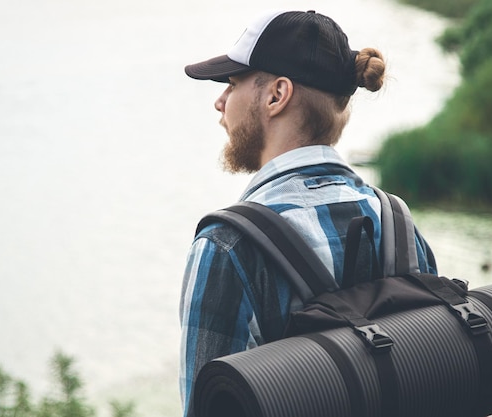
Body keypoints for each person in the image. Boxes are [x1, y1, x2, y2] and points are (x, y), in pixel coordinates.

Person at [179, 9, 437, 417]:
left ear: (276, 96)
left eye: (231, 84)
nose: (220, 101)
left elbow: (206, 408)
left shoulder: (227, 246)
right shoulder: (398, 223)